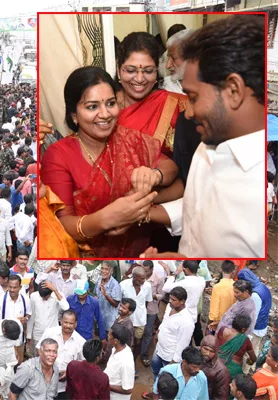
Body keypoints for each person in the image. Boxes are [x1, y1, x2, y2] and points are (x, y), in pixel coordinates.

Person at [146, 15, 265, 258]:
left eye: (193, 97)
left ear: (233, 91)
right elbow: (197, 208)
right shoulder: (208, 144)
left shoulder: (258, 190)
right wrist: (143, 213)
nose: (187, 112)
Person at [40, 66, 177, 257]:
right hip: (89, 259)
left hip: (142, 255)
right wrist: (108, 218)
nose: (105, 114)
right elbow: (63, 224)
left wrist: (155, 175)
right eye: (92, 107)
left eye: (110, 103)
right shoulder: (59, 154)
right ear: (74, 115)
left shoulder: (130, 140)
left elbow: (171, 168)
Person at [36, 309, 85, 397]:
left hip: (65, 387)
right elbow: (39, 349)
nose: (68, 326)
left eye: (71, 323)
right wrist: (46, 366)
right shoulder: (50, 332)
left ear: (76, 324)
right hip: (44, 382)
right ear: (61, 321)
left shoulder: (81, 342)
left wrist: (69, 373)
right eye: (65, 322)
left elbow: (83, 364)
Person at [152, 287, 194, 378]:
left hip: (169, 357)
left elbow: (182, 344)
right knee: (155, 370)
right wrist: (158, 333)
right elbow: (165, 321)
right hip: (159, 349)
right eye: (170, 298)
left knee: (166, 379)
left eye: (173, 300)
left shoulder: (187, 322)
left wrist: (174, 363)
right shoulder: (169, 307)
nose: (170, 301)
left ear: (182, 301)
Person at [217, 314, 256, 380]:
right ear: (243, 329)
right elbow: (253, 358)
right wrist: (249, 361)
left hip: (217, 363)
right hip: (232, 372)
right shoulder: (245, 340)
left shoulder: (222, 330)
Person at [104, 323, 135, 400]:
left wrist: (105, 384)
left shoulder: (125, 363)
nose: (107, 336)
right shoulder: (116, 349)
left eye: (109, 335)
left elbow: (128, 390)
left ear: (116, 341)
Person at [200, 334, 230, 400]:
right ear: (201, 347)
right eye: (205, 349)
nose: (207, 353)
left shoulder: (221, 370)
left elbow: (221, 396)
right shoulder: (194, 355)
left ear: (216, 352)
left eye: (211, 351)